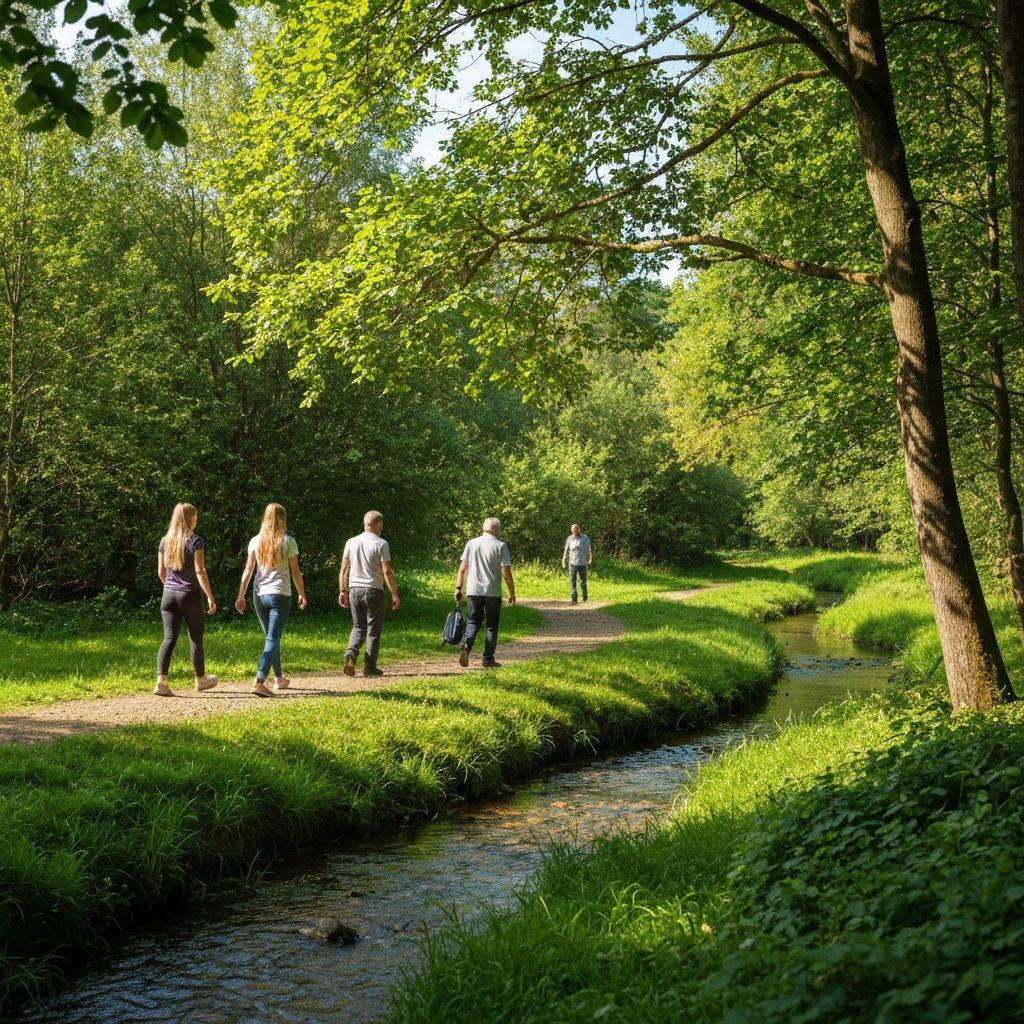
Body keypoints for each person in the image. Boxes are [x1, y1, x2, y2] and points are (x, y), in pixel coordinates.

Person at [235, 502, 308, 696]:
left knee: (270, 637)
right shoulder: (288, 541)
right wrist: (302, 593)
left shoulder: (255, 541)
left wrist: (241, 595)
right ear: (282, 519)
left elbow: (248, 570)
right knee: (273, 638)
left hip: (259, 595)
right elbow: (295, 571)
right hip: (280, 595)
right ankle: (259, 681)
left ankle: (278, 678)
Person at [155, 502, 218, 696]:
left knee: (169, 638)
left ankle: (161, 682)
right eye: (195, 517)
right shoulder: (195, 541)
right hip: (189, 594)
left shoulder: (165, 541)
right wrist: (209, 596)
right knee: (196, 638)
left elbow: (161, 572)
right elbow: (200, 570)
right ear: (190, 519)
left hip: (168, 595)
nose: (196, 521)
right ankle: (200, 680)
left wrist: (171, 587)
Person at [339, 510, 400, 677]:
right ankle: (370, 668)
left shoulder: (351, 542)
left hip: (354, 590)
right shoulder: (381, 543)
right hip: (374, 590)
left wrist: (342, 590)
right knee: (373, 629)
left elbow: (344, 570)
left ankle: (351, 655)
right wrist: (394, 593)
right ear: (379, 525)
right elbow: (386, 571)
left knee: (358, 626)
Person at [454, 516, 516, 669]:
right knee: (491, 626)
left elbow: (462, 569)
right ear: (498, 530)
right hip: (493, 592)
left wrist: (458, 588)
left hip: (473, 590)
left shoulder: (471, 543)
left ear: (484, 528)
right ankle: (488, 659)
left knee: (473, 621)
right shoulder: (501, 546)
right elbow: (506, 573)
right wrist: (512, 593)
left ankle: (466, 647)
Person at [561, 522, 593, 604]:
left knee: (583, 582)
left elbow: (589, 549)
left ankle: (585, 598)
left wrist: (590, 557)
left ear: (579, 530)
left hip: (582, 563)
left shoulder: (585, 538)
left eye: (575, 530)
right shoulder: (569, 539)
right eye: (572, 530)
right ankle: (574, 599)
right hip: (572, 564)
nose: (574, 532)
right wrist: (564, 559)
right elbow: (566, 549)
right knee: (572, 582)